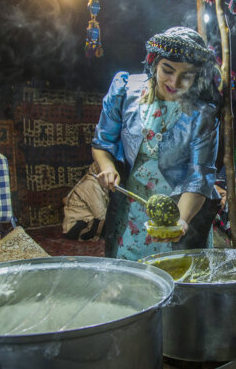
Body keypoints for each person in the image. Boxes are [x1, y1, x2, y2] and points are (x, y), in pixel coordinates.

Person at [91, 26, 222, 260]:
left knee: (180, 280)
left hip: (184, 208)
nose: (174, 81)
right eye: (167, 70)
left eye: (186, 76)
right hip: (132, 210)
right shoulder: (125, 91)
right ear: (153, 62)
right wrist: (108, 168)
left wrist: (180, 222)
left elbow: (199, 176)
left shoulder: (202, 115)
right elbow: (102, 143)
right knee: (134, 279)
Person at [62, 162, 109, 241]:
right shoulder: (92, 184)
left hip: (84, 221)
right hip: (76, 227)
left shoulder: (97, 181)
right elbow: (101, 214)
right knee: (114, 225)